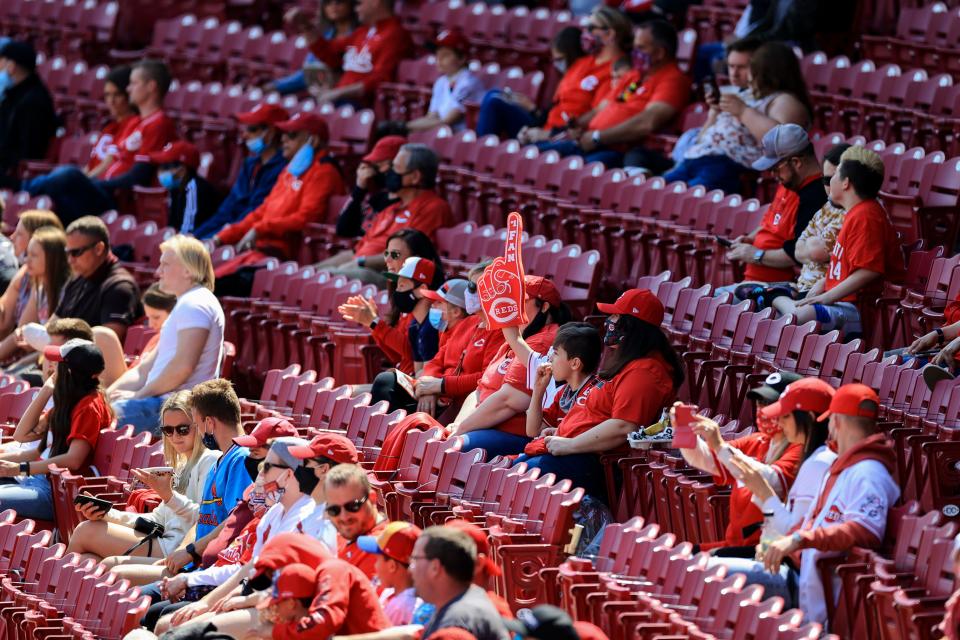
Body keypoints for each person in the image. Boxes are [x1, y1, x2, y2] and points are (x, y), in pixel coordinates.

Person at [155, 437, 340, 635]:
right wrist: (207, 600)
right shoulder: (275, 511)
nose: (259, 473)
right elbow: (252, 567)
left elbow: (289, 586)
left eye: (267, 466)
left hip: (276, 605)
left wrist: (241, 598)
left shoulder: (314, 518)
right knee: (164, 621)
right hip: (249, 592)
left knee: (174, 629)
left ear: (288, 474)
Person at [751, 384, 899, 624]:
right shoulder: (845, 467)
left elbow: (865, 530)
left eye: (830, 421)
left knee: (718, 580)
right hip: (815, 589)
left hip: (833, 600)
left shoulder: (869, 473)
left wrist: (798, 540)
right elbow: (812, 523)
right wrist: (782, 543)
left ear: (837, 422)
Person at [515, 289, 682, 501]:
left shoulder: (645, 372)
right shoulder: (630, 364)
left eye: (615, 316)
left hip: (597, 464)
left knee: (519, 476)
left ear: (631, 326)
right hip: (579, 453)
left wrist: (570, 444)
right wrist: (565, 432)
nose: (609, 321)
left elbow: (624, 426)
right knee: (510, 471)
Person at [66, 390, 219, 562]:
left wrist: (169, 496)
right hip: (163, 540)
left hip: (177, 550)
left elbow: (205, 518)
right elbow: (158, 518)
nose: (175, 436)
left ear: (198, 425)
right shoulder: (183, 465)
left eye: (183, 429)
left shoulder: (210, 460)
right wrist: (106, 514)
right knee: (87, 560)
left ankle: (52, 584)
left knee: (85, 531)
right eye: (168, 430)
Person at [21, 59, 176, 225]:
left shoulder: (159, 123)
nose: (128, 88)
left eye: (133, 83)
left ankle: (21, 189)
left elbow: (139, 175)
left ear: (151, 87)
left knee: (69, 175)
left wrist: (95, 183)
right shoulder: (135, 123)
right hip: (103, 189)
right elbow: (111, 159)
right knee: (56, 201)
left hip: (117, 198)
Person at [771, 145, 905, 337]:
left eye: (833, 177)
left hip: (861, 309)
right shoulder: (855, 213)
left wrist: (827, 296)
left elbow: (870, 270)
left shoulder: (867, 215)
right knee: (778, 314)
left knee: (799, 315)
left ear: (845, 183)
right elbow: (848, 266)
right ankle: (776, 297)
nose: (827, 182)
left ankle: (775, 296)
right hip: (843, 301)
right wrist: (823, 284)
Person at [213, 113, 345, 296]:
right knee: (199, 277)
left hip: (281, 257)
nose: (283, 139)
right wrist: (221, 237)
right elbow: (262, 211)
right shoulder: (290, 170)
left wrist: (260, 229)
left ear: (312, 140)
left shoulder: (324, 172)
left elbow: (306, 218)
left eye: (291, 135)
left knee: (207, 287)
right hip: (258, 251)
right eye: (283, 134)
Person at [675, 372, 805, 552]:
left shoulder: (800, 449)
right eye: (760, 402)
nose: (763, 409)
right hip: (735, 545)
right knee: (679, 553)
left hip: (766, 549)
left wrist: (719, 445)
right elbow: (707, 460)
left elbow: (773, 480)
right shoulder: (759, 440)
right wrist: (684, 432)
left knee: (690, 563)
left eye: (770, 403)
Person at [538, 20, 691, 169]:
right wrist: (577, 125)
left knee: (570, 170)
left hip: (616, 150)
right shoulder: (635, 76)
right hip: (591, 142)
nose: (634, 52)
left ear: (660, 53)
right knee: (534, 153)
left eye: (641, 48)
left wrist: (598, 137)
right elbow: (604, 107)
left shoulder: (673, 79)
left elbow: (647, 122)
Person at [110, 236, 224, 434]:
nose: (157, 272)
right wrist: (106, 395)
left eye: (165, 265)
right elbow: (143, 369)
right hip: (161, 403)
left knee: (91, 418)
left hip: (175, 409)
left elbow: (182, 367)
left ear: (188, 270)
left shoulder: (195, 304)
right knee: (88, 409)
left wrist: (137, 395)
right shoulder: (188, 303)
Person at [665, 39, 812, 193]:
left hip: (725, 165)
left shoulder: (785, 101)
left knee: (688, 196)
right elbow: (704, 137)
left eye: (749, 68)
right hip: (696, 158)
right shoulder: (746, 94)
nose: (744, 76)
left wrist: (743, 111)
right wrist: (714, 113)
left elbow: (782, 142)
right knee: (661, 190)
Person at [450, 276, 571, 457]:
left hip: (517, 434)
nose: (514, 308)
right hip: (484, 426)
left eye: (521, 301)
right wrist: (457, 424)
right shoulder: (518, 338)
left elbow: (509, 400)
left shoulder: (545, 340)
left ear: (544, 307)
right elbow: (479, 390)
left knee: (453, 449)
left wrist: (460, 430)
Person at [477, 7, 630, 141]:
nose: (585, 33)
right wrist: (534, 121)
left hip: (564, 137)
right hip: (546, 129)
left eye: (591, 28)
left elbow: (596, 119)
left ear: (609, 34)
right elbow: (559, 105)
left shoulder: (618, 70)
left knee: (494, 100)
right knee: (495, 97)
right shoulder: (581, 62)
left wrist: (549, 134)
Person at [0, 339, 111, 520]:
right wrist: (46, 390)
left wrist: (19, 469)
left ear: (68, 371)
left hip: (55, 494)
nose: (51, 365)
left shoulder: (89, 406)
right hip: (36, 481)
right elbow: (22, 435)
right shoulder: (70, 400)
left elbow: (74, 459)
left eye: (58, 363)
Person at [316, 144, 452, 285]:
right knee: (307, 275)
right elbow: (357, 251)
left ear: (415, 177)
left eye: (395, 168)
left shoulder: (432, 208)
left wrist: (361, 262)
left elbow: (407, 256)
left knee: (329, 279)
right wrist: (312, 270)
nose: (389, 173)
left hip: (393, 279)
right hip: (360, 270)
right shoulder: (390, 209)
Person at [719, 124, 826, 301]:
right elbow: (770, 222)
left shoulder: (815, 197)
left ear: (796, 162)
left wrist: (755, 254)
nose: (772, 175)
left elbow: (797, 255)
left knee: (712, 301)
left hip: (777, 289)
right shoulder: (790, 182)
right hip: (757, 283)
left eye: (775, 169)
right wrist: (751, 239)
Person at [338, 229, 445, 376]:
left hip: (418, 380)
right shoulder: (402, 295)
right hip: (407, 374)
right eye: (386, 253)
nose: (387, 260)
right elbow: (397, 356)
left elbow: (413, 350)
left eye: (395, 255)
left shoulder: (426, 300)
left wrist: (375, 323)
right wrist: (373, 324)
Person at [413, 277, 506, 419]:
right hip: (438, 395)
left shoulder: (500, 331)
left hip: (464, 403)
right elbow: (436, 361)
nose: (433, 307)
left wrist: (440, 385)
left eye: (438, 303)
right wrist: (428, 387)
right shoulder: (467, 323)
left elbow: (487, 377)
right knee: (388, 382)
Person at [192, 104, 289, 240]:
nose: (245, 135)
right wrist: (195, 236)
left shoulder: (284, 169)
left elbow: (256, 211)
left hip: (249, 237)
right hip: (229, 231)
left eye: (252, 129)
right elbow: (227, 209)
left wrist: (219, 236)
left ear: (271, 132)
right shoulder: (249, 164)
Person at [51, 216, 143, 342]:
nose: (70, 260)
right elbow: (51, 330)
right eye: (68, 253)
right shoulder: (77, 278)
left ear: (99, 248)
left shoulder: (119, 287)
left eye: (76, 252)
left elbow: (105, 344)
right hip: (62, 357)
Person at [304, 0, 412, 106]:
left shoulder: (395, 34)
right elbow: (329, 52)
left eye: (359, 4)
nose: (356, 9)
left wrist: (339, 93)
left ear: (375, 2)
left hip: (363, 106)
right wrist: (304, 26)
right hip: (341, 101)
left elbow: (380, 79)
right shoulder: (362, 32)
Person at [411, 526, 511, 640]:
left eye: (415, 559)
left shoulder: (455, 624)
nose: (410, 568)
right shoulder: (467, 600)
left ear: (435, 567)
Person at [0, 225, 68, 362]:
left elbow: (57, 346)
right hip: (37, 358)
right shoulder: (40, 287)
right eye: (27, 254)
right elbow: (20, 332)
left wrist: (17, 367)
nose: (26, 260)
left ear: (51, 258)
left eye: (34, 256)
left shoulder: (66, 292)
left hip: (52, 362)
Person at [94, 283, 178, 388]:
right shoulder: (156, 338)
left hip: (143, 392)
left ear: (175, 314)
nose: (151, 325)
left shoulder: (177, 341)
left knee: (102, 336)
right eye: (148, 318)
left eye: (156, 317)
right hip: (128, 383)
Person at [401, 30, 485, 134]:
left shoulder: (469, 83)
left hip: (460, 139)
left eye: (445, 55)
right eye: (437, 55)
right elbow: (432, 117)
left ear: (462, 58)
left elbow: (447, 121)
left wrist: (404, 127)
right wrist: (402, 127)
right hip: (442, 134)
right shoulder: (441, 82)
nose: (439, 60)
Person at [0, 40, 58, 188]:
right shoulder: (12, 95)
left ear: (11, 66)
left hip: (17, 175)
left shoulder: (34, 101)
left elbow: (29, 152)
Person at [270, 0, 358, 95]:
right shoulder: (324, 36)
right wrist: (276, 86)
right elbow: (309, 71)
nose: (333, 5)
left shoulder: (361, 36)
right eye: (328, 2)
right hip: (321, 94)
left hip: (347, 96)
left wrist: (277, 86)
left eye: (339, 1)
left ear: (351, 4)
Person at [0, 209, 62, 340]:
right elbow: (2, 318)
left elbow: (20, 334)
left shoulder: (45, 280)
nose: (12, 237)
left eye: (20, 234)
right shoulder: (24, 273)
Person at [333, 135, 405, 242]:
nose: (374, 171)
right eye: (374, 165)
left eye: (380, 165)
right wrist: (359, 189)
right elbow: (343, 230)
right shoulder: (377, 198)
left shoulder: (407, 204)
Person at [325, 463, 388, 580]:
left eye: (353, 506)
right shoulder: (345, 535)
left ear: (372, 499)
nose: (344, 517)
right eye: (334, 510)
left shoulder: (382, 548)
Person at [148, 141, 221, 235]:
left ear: (182, 171)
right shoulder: (176, 189)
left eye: (165, 166)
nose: (160, 171)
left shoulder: (196, 190)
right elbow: (172, 226)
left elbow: (187, 233)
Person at [358, 521, 423, 624]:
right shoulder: (392, 592)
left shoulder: (403, 607)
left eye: (377, 560)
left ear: (392, 566)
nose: (375, 566)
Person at [84, 65, 139, 180]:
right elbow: (90, 166)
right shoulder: (109, 128)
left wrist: (82, 184)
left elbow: (109, 163)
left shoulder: (134, 125)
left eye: (117, 95)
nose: (111, 101)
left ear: (129, 96)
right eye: (107, 95)